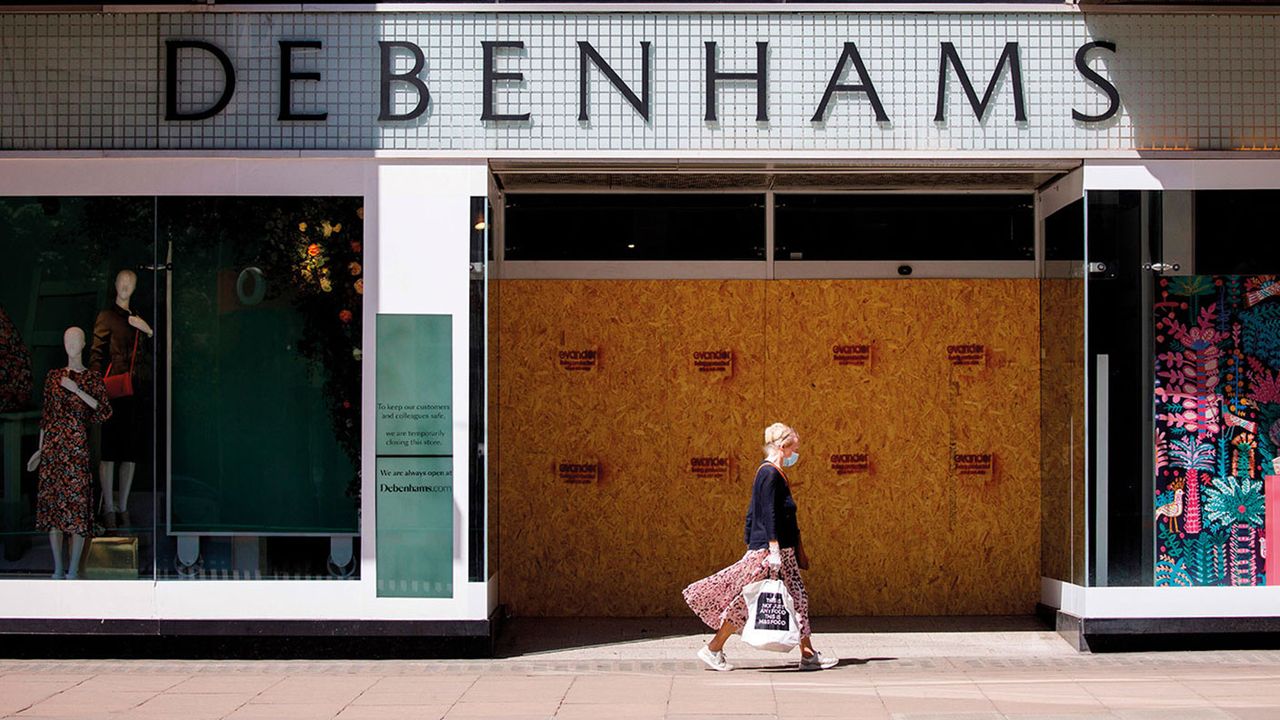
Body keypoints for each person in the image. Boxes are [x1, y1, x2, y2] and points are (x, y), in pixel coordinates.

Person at [683, 422, 838, 672]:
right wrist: (772, 549)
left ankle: (806, 653)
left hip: (779, 551)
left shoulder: (775, 473)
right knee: (758, 600)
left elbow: (754, 514)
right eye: (793, 448)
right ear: (782, 446)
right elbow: (768, 513)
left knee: (791, 600)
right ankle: (714, 648)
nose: (795, 454)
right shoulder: (769, 473)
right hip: (772, 552)